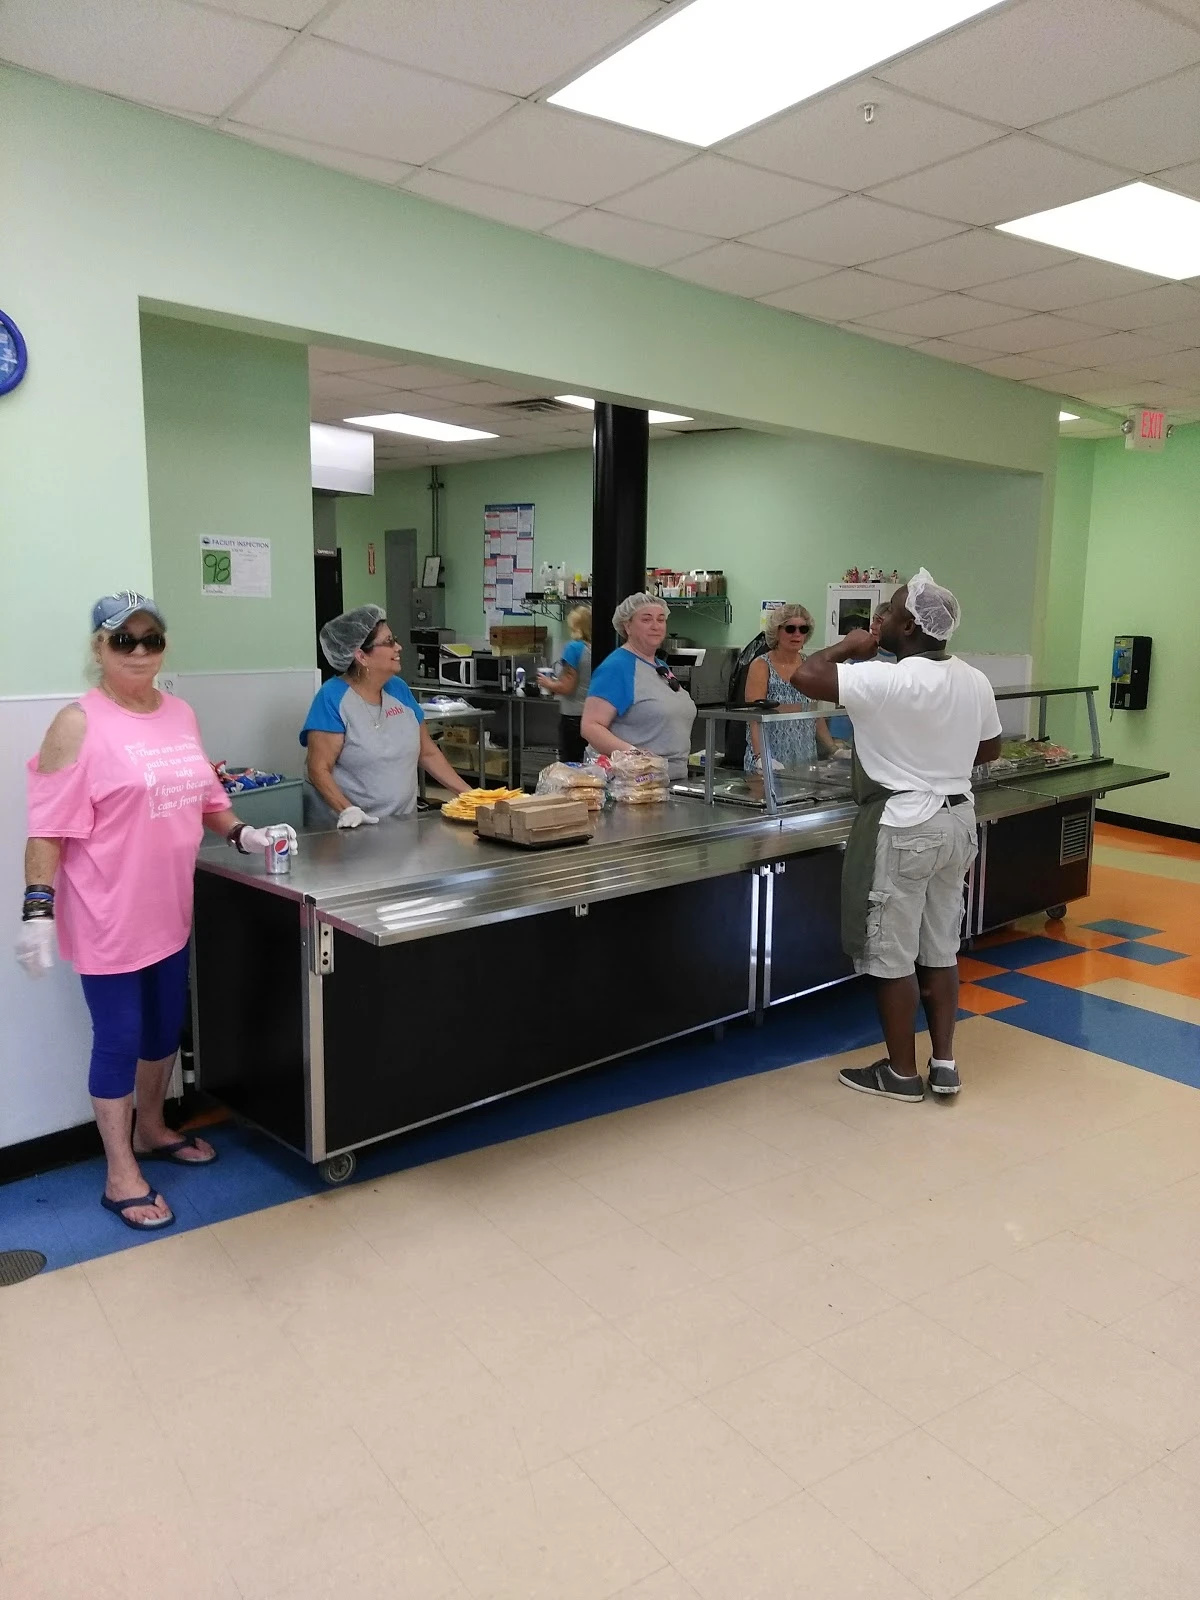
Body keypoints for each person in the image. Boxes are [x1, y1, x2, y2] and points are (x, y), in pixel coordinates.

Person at [16, 592, 299, 1231]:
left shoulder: (179, 713)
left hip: (169, 909)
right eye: (124, 640)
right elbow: (48, 828)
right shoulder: (77, 723)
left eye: (152, 639)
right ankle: (119, 1172)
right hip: (107, 913)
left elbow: (205, 795)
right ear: (99, 647)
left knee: (164, 1029)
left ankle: (151, 1128)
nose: (140, 650)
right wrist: (37, 909)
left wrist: (242, 833)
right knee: (118, 1038)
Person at [789, 569, 1002, 1103]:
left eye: (888, 610)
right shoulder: (973, 679)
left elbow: (806, 674)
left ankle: (901, 1073)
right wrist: (940, 760)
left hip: (906, 825)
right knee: (941, 947)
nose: (878, 617)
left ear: (907, 627)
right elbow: (990, 749)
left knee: (892, 956)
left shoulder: (887, 680)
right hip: (957, 820)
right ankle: (945, 1063)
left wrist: (850, 644)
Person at [302, 605, 472, 825]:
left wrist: (472, 796)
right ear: (361, 656)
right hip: (350, 827)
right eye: (389, 642)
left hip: (402, 824)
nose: (398, 647)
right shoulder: (332, 698)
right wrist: (348, 811)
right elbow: (318, 769)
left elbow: (428, 753)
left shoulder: (399, 689)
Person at [580, 593, 697, 781]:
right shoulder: (618, 667)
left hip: (666, 779)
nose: (655, 626)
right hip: (631, 782)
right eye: (646, 619)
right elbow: (590, 726)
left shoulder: (660, 666)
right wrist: (636, 757)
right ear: (627, 626)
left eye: (661, 619)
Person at [742, 603, 837, 774]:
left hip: (804, 758)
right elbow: (754, 717)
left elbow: (815, 715)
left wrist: (833, 749)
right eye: (790, 628)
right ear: (776, 631)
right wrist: (760, 757)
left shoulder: (809, 665)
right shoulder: (761, 665)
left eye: (803, 629)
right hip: (770, 758)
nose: (797, 634)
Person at [537, 605, 592, 763]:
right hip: (592, 717)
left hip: (573, 717)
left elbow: (567, 687)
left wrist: (547, 683)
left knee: (571, 766)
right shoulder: (594, 649)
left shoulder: (573, 648)